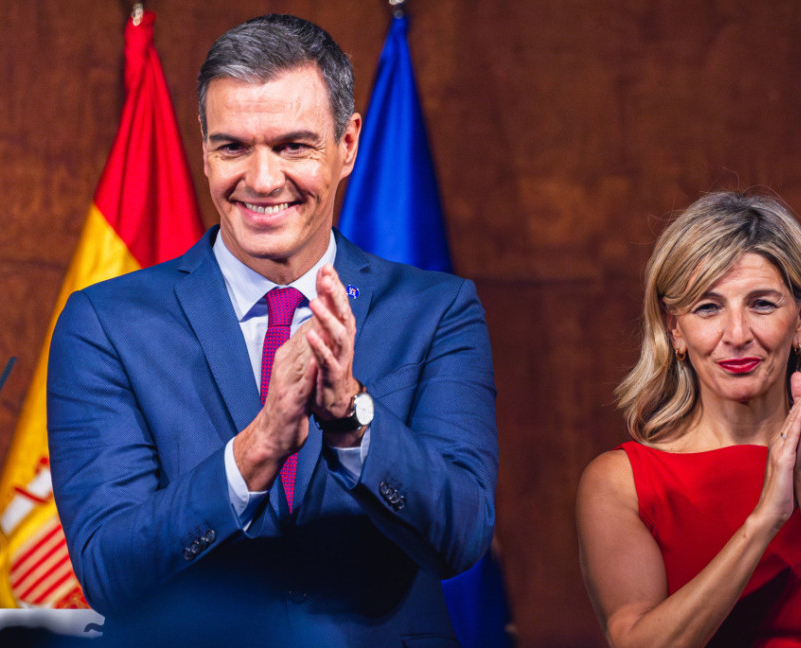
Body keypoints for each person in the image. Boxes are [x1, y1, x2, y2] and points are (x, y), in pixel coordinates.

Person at [47, 14, 497, 646]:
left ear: (346, 145)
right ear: (203, 149)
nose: (261, 181)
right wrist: (254, 451)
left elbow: (462, 535)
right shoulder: (105, 324)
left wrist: (350, 416)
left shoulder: (438, 311)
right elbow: (109, 569)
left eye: (293, 146)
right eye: (233, 147)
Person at [576, 191, 801, 648]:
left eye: (762, 304)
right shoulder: (621, 482)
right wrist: (764, 521)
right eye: (708, 308)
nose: (736, 335)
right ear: (674, 328)